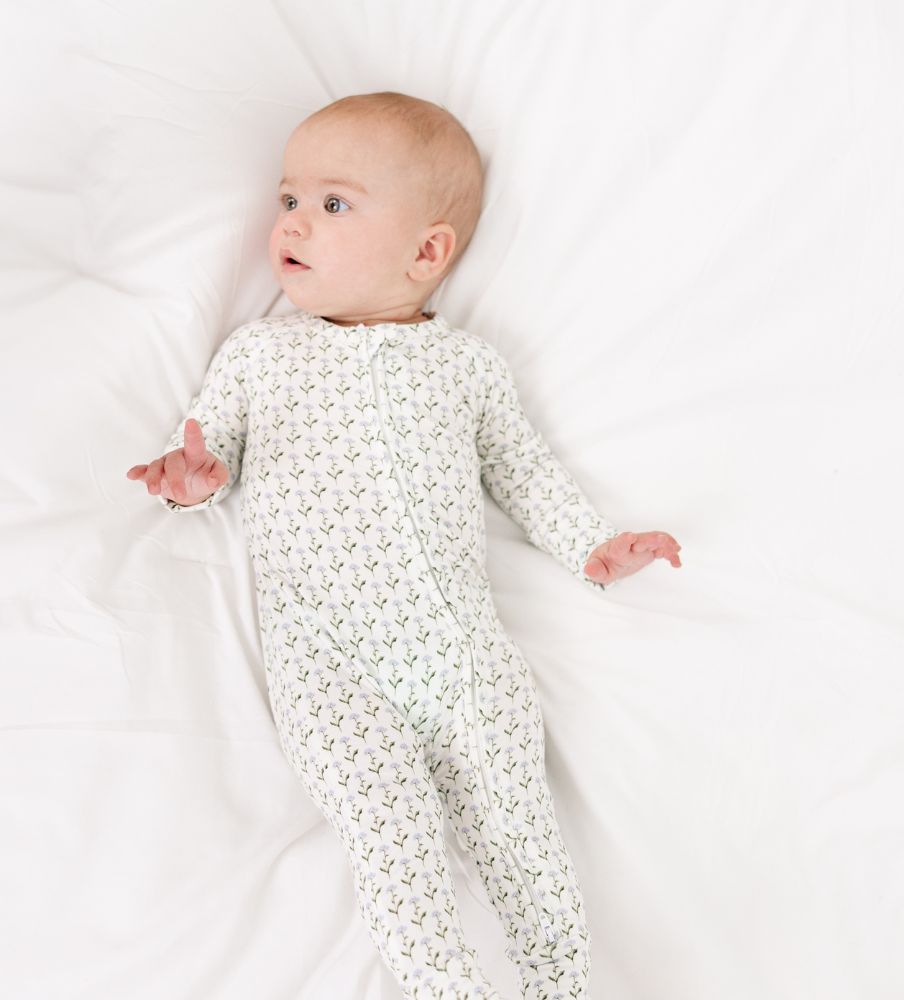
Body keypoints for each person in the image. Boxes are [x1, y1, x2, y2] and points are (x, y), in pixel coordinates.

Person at [126, 91, 681, 1000]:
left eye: (333, 204)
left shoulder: (467, 366)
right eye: (289, 199)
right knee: (395, 838)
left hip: (464, 653)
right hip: (331, 661)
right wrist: (191, 481)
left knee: (519, 830)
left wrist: (594, 546)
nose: (295, 223)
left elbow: (524, 471)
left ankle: (561, 985)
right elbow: (207, 449)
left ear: (428, 251)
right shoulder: (259, 353)